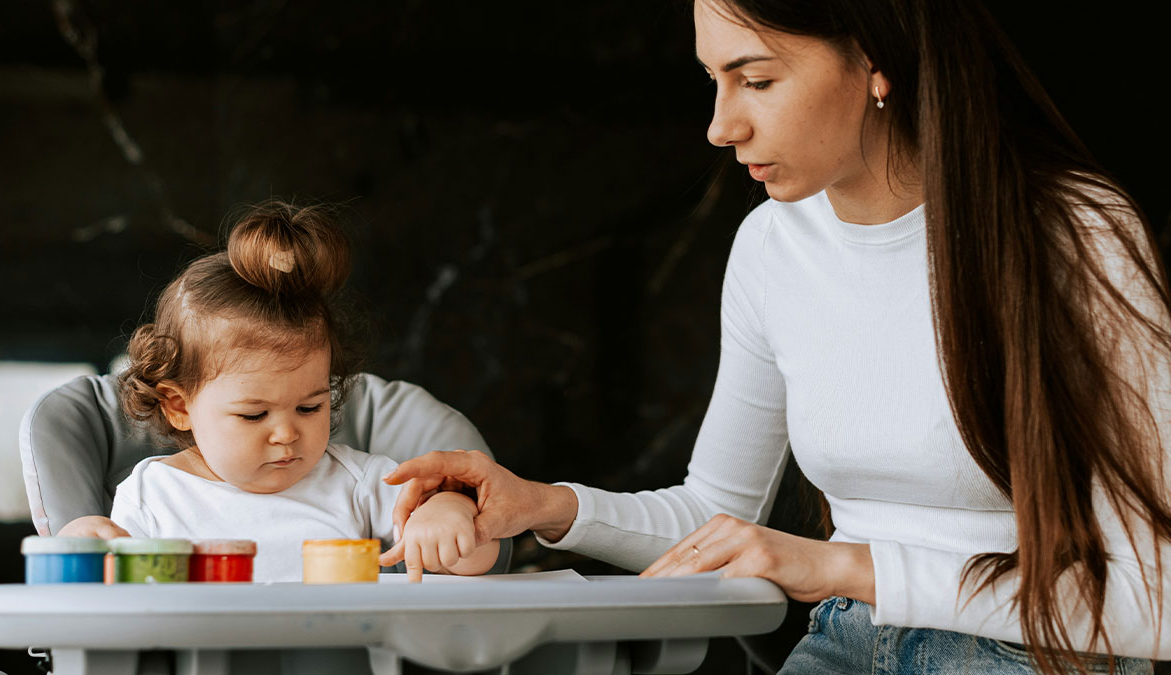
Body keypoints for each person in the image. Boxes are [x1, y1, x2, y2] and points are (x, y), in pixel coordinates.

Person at [383, 0, 1171, 672]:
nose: (721, 126)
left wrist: (842, 566)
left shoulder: (1074, 237)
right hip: (844, 644)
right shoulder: (773, 246)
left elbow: (1156, 596)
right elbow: (717, 517)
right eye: (713, 81)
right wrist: (545, 506)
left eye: (757, 79)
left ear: (873, 61)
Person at [64, 200, 499, 583]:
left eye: (311, 406)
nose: (287, 433)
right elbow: (118, 609)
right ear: (179, 406)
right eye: (255, 415)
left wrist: (450, 515)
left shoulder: (362, 484)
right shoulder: (152, 495)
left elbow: (479, 562)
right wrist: (85, 551)